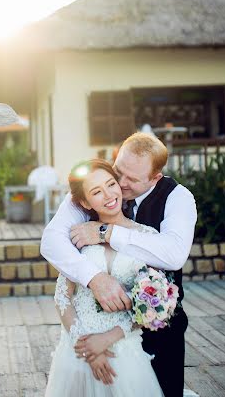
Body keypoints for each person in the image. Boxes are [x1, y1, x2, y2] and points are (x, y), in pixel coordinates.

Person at [41, 132, 197, 397]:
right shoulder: (96, 184)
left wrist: (107, 233)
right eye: (118, 172)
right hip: (85, 341)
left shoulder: (178, 198)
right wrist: (94, 278)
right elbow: (51, 241)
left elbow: (174, 255)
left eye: (132, 179)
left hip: (158, 328)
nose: (121, 184)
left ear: (154, 178)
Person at [45, 159, 164, 396]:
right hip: (78, 349)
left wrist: (107, 339)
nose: (109, 195)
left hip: (123, 345)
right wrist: (87, 346)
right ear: (84, 202)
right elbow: (62, 297)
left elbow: (155, 303)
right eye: (96, 192)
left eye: (111, 184)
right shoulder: (78, 237)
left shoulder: (146, 236)